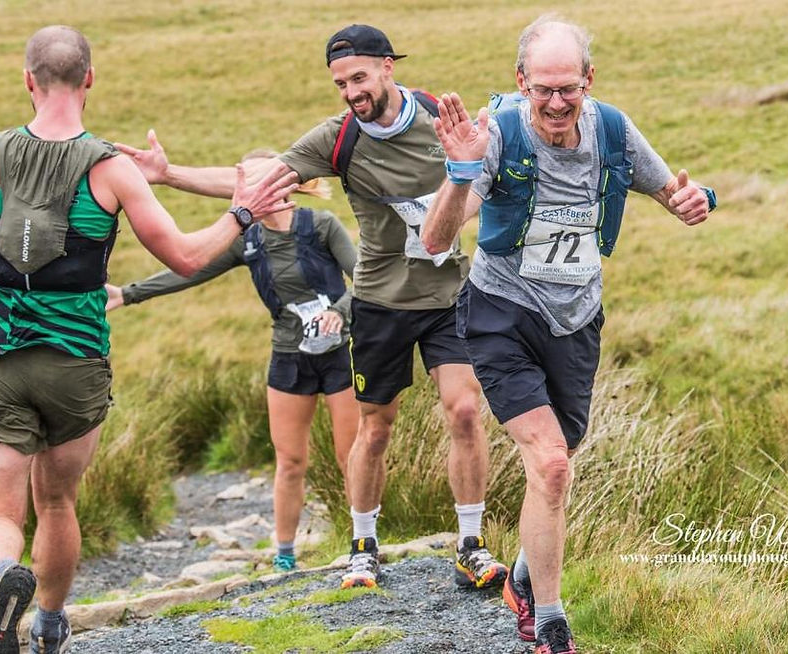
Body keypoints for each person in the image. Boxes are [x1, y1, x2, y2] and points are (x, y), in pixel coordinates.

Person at [114, 24, 507, 592]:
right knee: (375, 430)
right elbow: (251, 181)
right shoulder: (337, 138)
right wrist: (168, 174)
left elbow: (493, 168)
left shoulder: (438, 117)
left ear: (388, 68)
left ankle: (470, 543)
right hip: (379, 302)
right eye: (341, 83)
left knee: (466, 411)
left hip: (448, 296)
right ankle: (363, 547)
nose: (351, 91)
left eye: (359, 77)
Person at [0, 25, 296, 654]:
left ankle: (4, 575)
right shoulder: (111, 169)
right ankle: (49, 622)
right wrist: (240, 211)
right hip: (77, 364)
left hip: (2, 358)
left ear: (27, 80)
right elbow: (187, 258)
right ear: (89, 81)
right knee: (57, 501)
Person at [423, 15, 715, 654]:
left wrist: (696, 204)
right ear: (520, 81)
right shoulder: (494, 134)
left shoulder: (613, 129)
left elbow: (673, 192)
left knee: (559, 464)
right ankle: (549, 625)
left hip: (577, 319)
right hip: (501, 311)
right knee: (550, 463)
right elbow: (437, 240)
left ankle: (525, 578)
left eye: (568, 89)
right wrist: (460, 171)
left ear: (589, 81)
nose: (556, 103)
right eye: (542, 89)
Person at [105, 150, 358, 573]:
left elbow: (364, 276)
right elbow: (191, 268)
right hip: (288, 360)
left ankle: (362, 543)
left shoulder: (320, 225)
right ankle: (284, 556)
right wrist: (128, 293)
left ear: (285, 184)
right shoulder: (249, 240)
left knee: (349, 454)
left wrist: (340, 312)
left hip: (339, 355)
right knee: (291, 461)